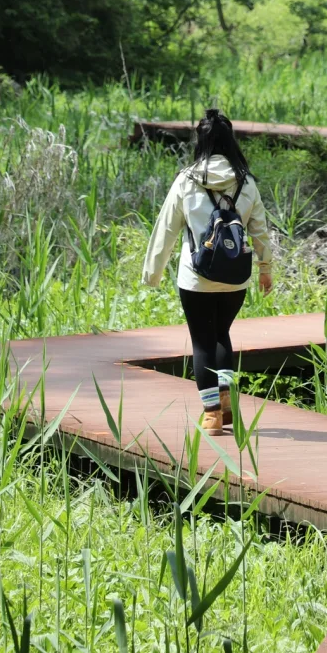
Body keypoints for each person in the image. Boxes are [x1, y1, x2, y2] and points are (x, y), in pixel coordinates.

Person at [142, 108, 273, 433]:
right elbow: (260, 230)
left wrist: (152, 273)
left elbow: (166, 229)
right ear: (231, 140)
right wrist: (265, 269)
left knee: (202, 342)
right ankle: (226, 401)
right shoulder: (246, 181)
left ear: (200, 141)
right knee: (221, 336)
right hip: (236, 277)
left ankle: (212, 413)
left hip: (196, 277)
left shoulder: (187, 180)